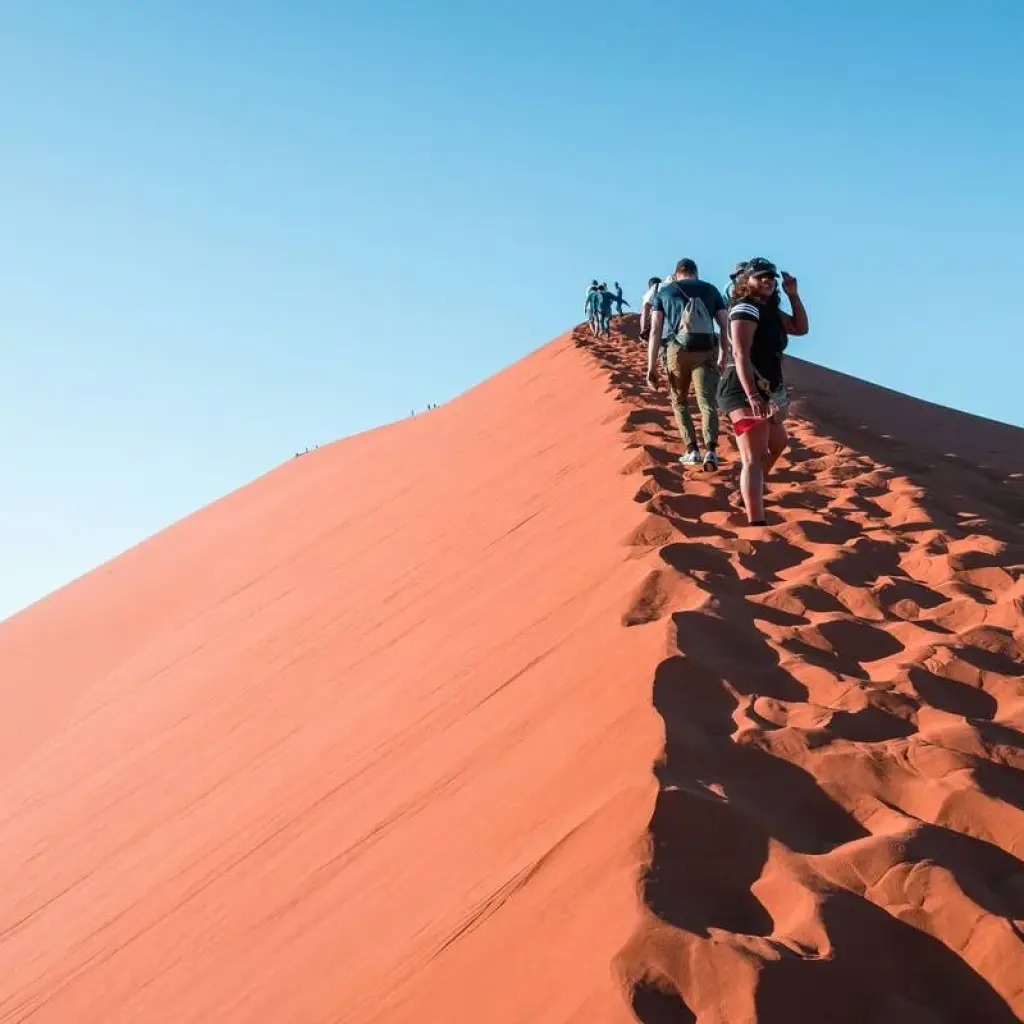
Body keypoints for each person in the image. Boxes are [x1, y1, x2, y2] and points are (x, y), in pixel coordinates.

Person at [718, 257, 809, 526]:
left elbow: (800, 328)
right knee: (752, 457)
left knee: (779, 442)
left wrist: (794, 295)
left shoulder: (768, 308)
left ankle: (749, 490)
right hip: (743, 387)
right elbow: (740, 353)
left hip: (770, 387)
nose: (768, 281)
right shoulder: (745, 308)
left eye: (771, 277)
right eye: (761, 277)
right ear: (747, 281)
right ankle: (756, 522)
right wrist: (753, 396)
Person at [645, 258, 728, 471]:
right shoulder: (710, 290)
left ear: (677, 273)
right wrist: (724, 353)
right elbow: (724, 323)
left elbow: (655, 330)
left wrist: (651, 366)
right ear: (695, 272)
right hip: (706, 351)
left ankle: (692, 450)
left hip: (677, 351)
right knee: (707, 403)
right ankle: (711, 450)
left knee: (679, 400)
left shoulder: (665, 292)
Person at [639, 277, 662, 341]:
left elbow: (646, 309)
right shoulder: (666, 288)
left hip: (656, 323)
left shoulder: (651, 292)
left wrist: (643, 330)